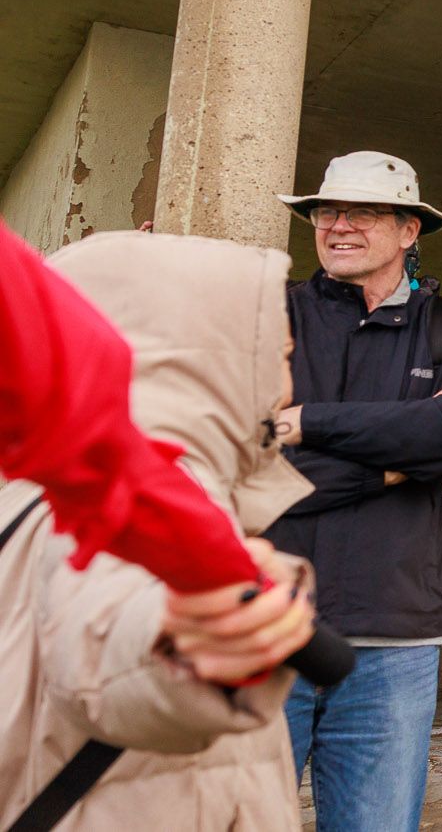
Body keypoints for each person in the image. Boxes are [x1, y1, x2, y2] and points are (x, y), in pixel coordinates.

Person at [1, 231, 321, 831]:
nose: (287, 388)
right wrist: (185, 640)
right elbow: (109, 619)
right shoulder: (145, 491)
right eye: (277, 357)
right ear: (205, 358)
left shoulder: (30, 488)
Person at [268, 152, 442, 832]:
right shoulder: (270, 318)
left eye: (361, 211)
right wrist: (396, 460)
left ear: (409, 230)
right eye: (326, 210)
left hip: (393, 642)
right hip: (265, 632)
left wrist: (307, 421)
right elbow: (241, 466)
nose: (337, 223)